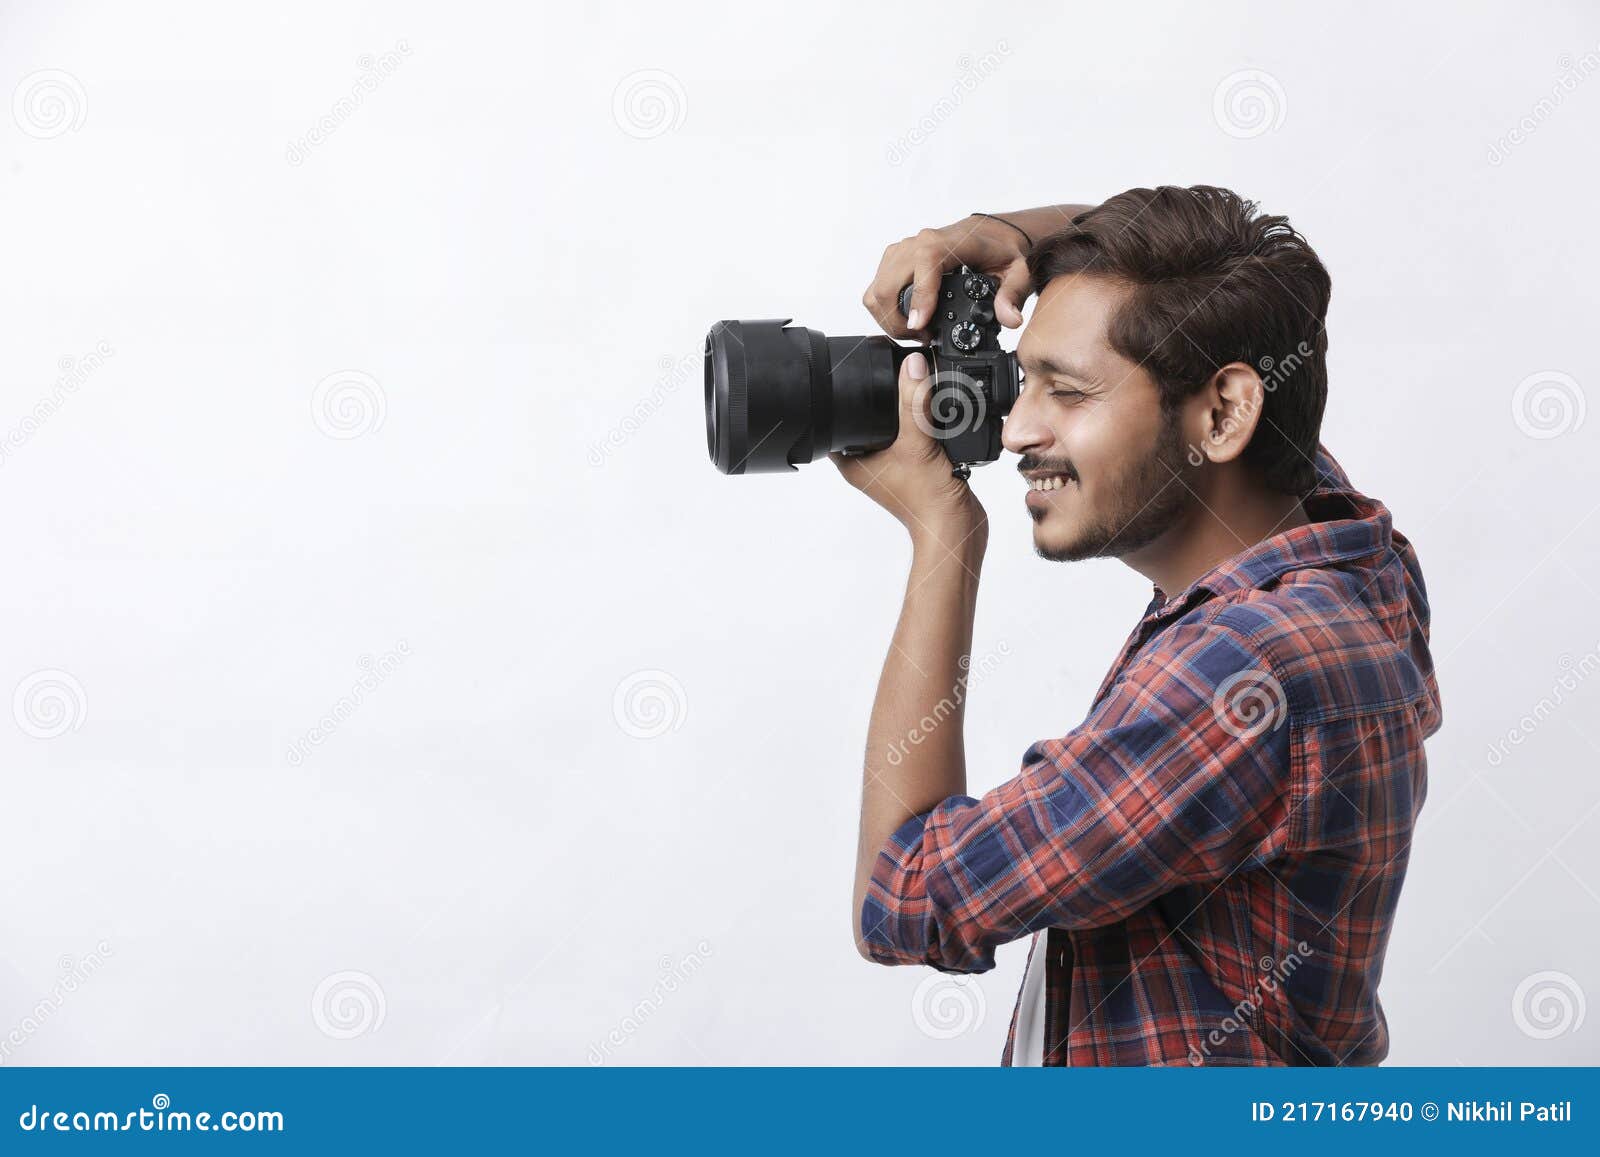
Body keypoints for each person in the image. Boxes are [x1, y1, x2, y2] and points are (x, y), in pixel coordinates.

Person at [839, 187, 1442, 1066]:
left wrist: (943, 537)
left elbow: (904, 893)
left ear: (1225, 413)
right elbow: (1218, 292)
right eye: (1022, 378)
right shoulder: (1351, 556)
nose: (1013, 430)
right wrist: (1011, 239)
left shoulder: (1241, 675)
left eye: (1068, 391)